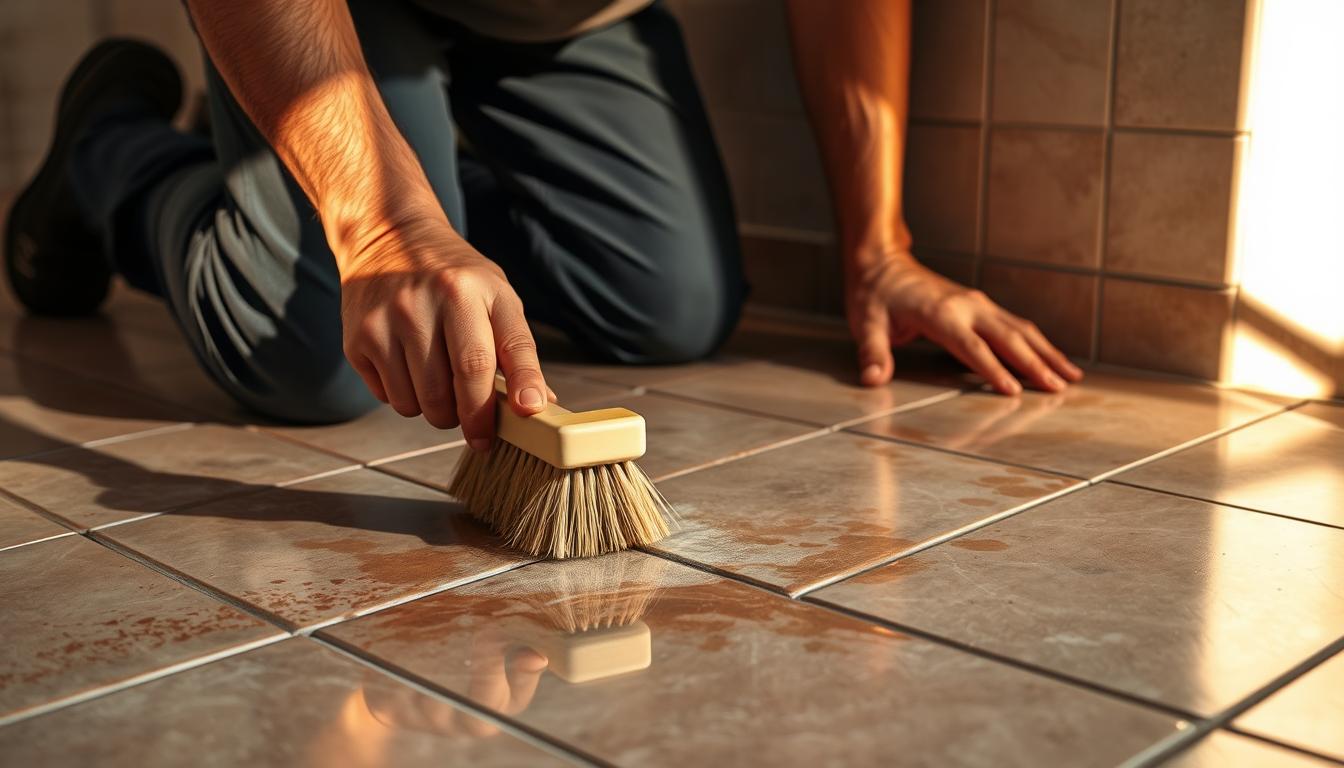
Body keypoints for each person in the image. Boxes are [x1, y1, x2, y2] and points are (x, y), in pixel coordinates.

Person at [4, 0, 1082, 454]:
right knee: (315, 360)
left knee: (675, 308)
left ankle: (392, 186)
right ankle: (115, 147)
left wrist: (879, 248)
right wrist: (381, 229)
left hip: (567, 19)